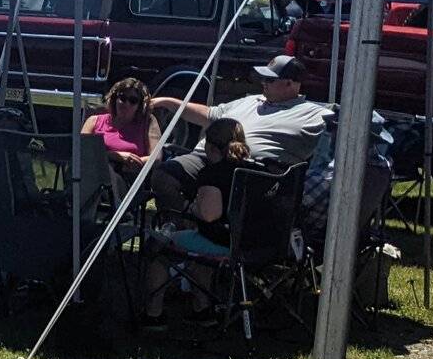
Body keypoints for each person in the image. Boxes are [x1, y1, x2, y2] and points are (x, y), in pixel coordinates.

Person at [148, 55, 328, 207]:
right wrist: (167, 102)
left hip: (251, 174)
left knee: (226, 189)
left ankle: (205, 230)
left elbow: (346, 127)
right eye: (263, 78)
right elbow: (209, 114)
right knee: (165, 174)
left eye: (270, 79)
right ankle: (183, 226)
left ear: (291, 84)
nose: (263, 83)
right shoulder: (251, 100)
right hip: (206, 157)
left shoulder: (314, 113)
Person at [141, 116, 251, 327]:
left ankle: (153, 314)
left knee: (159, 247)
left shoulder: (212, 174)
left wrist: (191, 208)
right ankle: (201, 309)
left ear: (209, 146)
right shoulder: (255, 171)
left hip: (225, 245)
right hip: (253, 244)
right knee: (200, 245)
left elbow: (209, 215)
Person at [84, 75, 158, 184]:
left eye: (133, 100)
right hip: (95, 171)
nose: (126, 104)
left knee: (109, 174)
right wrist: (115, 156)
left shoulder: (147, 123)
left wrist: (132, 162)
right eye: (123, 98)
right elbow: (82, 151)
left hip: (128, 176)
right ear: (115, 99)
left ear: (139, 105)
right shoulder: (94, 121)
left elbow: (156, 158)